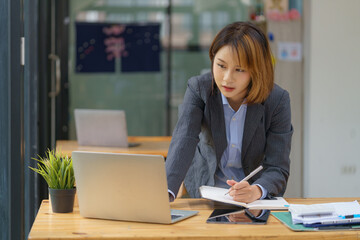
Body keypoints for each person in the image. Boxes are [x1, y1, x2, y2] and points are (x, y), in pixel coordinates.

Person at [165, 21, 293, 203]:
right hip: (204, 192)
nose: (226, 78)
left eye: (239, 70)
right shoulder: (199, 89)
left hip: (253, 202)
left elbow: (278, 167)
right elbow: (184, 139)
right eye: (221, 65)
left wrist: (256, 190)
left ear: (256, 71)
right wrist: (166, 191)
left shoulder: (277, 100)